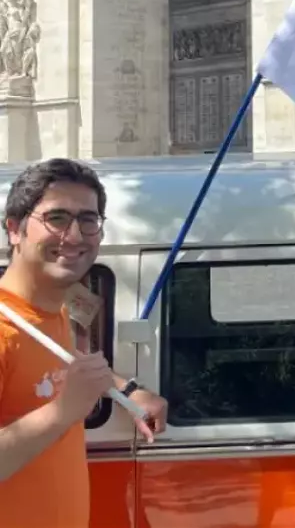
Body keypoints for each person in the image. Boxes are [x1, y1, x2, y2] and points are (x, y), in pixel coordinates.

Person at [0, 158, 168, 528]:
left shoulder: (48, 313)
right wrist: (64, 411)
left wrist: (128, 389)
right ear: (14, 229)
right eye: (57, 218)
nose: (75, 236)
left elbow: (59, 366)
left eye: (88, 220)